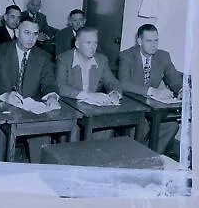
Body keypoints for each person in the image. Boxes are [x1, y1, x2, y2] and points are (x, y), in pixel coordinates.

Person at [0, 16, 61, 163]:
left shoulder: (43, 56)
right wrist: (6, 96)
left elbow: (49, 82)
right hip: (2, 108)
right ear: (17, 33)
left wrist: (51, 96)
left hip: (30, 112)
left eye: (35, 34)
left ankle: (38, 180)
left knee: (43, 139)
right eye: (27, 33)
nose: (31, 38)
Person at [118, 23, 181, 154]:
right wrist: (152, 91)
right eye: (149, 41)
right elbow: (123, 83)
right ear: (139, 41)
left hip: (152, 107)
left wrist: (182, 91)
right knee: (143, 126)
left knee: (172, 125)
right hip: (131, 104)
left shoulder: (163, 56)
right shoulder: (127, 55)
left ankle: (152, 156)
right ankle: (135, 155)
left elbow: (176, 80)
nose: (154, 45)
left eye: (156, 40)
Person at [56, 26, 122, 104]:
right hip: (70, 106)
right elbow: (60, 86)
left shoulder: (101, 60)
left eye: (95, 43)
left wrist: (115, 94)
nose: (93, 47)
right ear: (77, 44)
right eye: (88, 43)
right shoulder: (64, 59)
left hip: (93, 108)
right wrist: (88, 95)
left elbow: (113, 82)